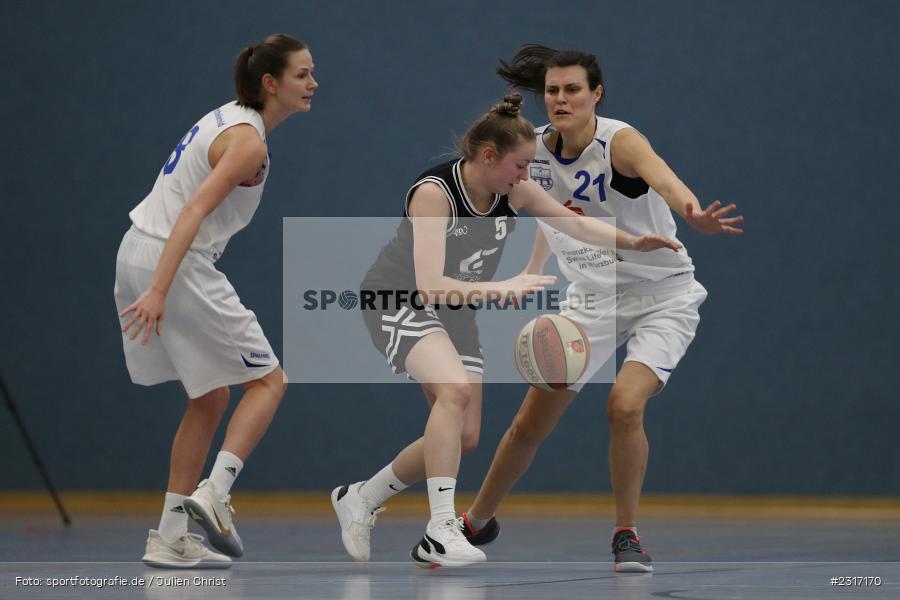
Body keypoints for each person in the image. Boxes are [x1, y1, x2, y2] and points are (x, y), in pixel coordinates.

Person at [330, 93, 681, 569]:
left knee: (464, 435)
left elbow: (572, 224)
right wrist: (504, 286)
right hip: (399, 299)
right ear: (488, 156)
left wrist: (633, 241)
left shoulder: (509, 189)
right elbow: (430, 286)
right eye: (520, 166)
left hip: (456, 311)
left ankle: (361, 496)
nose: (526, 176)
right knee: (453, 393)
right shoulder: (435, 193)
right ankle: (440, 529)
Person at [456, 45, 744, 573]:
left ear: (596, 94)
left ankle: (626, 533)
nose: (560, 99)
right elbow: (550, 215)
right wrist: (530, 267)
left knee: (624, 405)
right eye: (552, 91)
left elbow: (663, 177)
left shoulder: (621, 141)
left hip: (663, 298)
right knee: (528, 424)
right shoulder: (534, 147)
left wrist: (693, 211)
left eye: (572, 90)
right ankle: (476, 521)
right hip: (589, 300)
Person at [115, 34, 317, 569]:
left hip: (138, 249)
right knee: (269, 381)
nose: (313, 83)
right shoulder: (248, 140)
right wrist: (160, 288)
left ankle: (169, 536)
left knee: (209, 398)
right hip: (172, 260)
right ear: (270, 83)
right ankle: (216, 493)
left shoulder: (230, 115)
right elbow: (195, 210)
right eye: (302, 74)